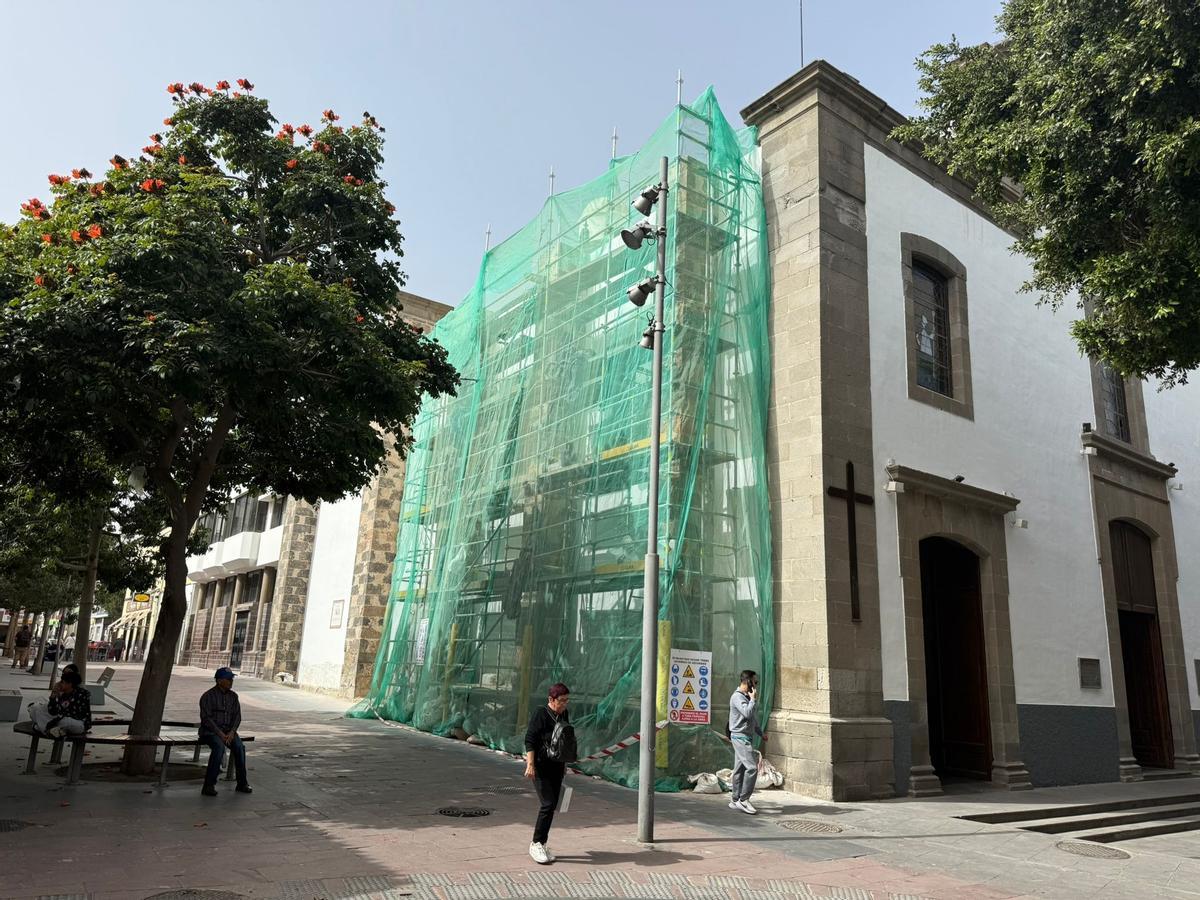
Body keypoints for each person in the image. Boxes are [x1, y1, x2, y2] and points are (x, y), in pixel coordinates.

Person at [524, 683, 571, 865]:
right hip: (540, 766)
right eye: (562, 700)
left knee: (552, 806)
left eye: (567, 700)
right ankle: (536, 843)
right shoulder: (541, 714)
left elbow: (563, 741)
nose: (565, 704)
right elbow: (530, 739)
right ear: (551, 699)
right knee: (547, 803)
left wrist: (565, 763)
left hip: (557, 766)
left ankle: (542, 843)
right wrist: (530, 764)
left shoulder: (563, 714)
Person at [198, 667, 252, 796]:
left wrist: (232, 731)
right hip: (210, 732)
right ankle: (209, 785)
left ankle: (242, 783)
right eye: (228, 679)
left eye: (231, 679)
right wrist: (220, 734)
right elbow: (206, 719)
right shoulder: (208, 696)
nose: (231, 682)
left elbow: (237, 716)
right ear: (219, 681)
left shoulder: (233, 697)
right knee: (218, 748)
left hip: (229, 732)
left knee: (239, 747)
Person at [728, 669, 765, 815]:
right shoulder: (737, 697)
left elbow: (752, 719)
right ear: (747, 682)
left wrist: (760, 733)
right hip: (740, 737)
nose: (756, 685)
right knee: (752, 768)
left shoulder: (744, 697)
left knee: (739, 769)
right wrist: (753, 700)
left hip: (744, 736)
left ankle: (734, 799)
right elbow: (748, 713)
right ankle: (744, 800)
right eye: (754, 682)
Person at [27, 669, 92, 738]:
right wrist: (53, 696)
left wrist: (56, 718)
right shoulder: (62, 693)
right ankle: (53, 730)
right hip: (59, 719)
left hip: (77, 723)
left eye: (62, 682)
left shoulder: (82, 694)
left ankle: (41, 728)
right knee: (35, 709)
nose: (60, 684)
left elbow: (74, 714)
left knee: (66, 722)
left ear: (69, 684)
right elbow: (52, 711)